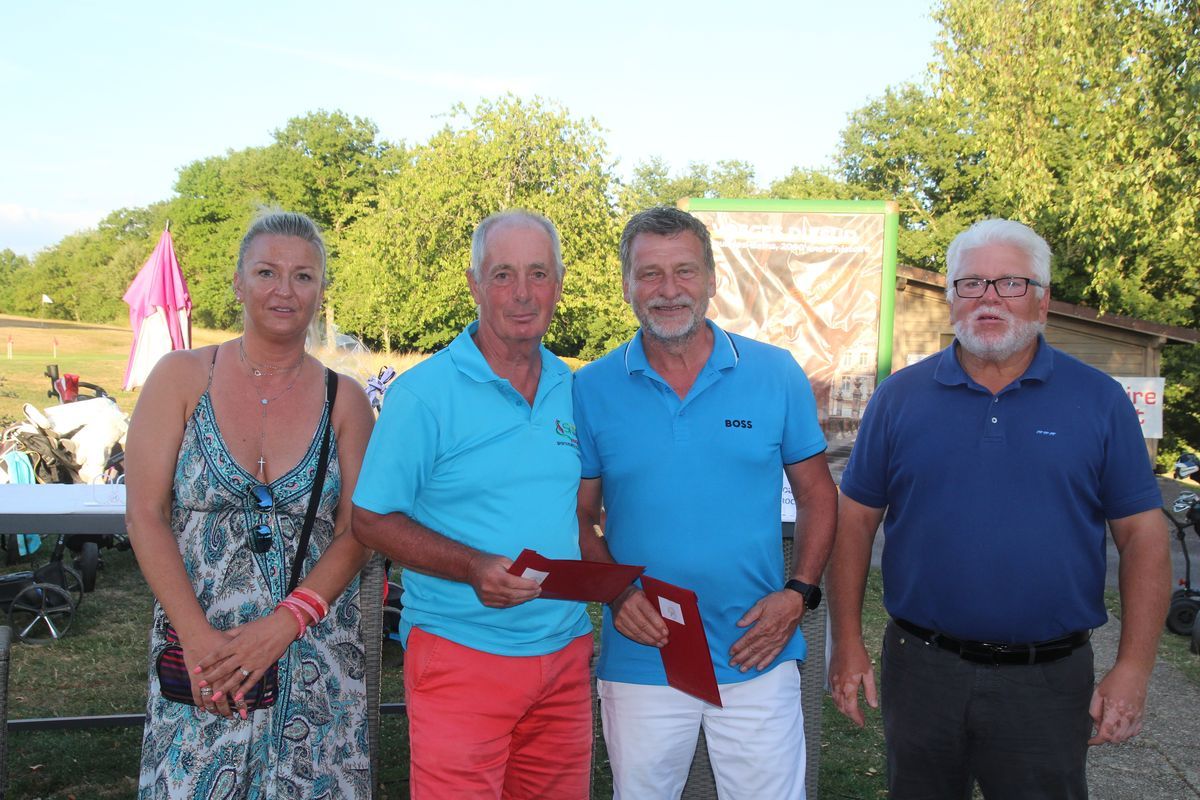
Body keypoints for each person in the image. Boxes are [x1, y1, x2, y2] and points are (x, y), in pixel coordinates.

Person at [828, 218, 1171, 799]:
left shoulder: (1099, 400)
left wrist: (1134, 668)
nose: (989, 298)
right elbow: (854, 523)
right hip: (922, 670)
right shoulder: (898, 398)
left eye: (1011, 283)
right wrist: (847, 642)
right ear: (951, 300)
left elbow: (1143, 535)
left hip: (1047, 681)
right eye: (971, 283)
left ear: (1043, 301)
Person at [573, 206, 838, 799]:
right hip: (645, 651)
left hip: (756, 647)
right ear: (627, 285)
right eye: (650, 274)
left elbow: (819, 493)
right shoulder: (590, 387)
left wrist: (799, 593)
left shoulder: (775, 372)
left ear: (713, 280)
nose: (668, 290)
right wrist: (617, 593)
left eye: (685, 271)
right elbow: (581, 516)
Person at [126, 210, 375, 799]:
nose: (284, 290)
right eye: (267, 272)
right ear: (238, 283)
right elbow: (145, 514)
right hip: (201, 658)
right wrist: (197, 639)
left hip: (313, 657)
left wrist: (284, 625)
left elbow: (358, 531)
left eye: (303, 276)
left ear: (320, 291)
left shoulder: (346, 401)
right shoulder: (181, 378)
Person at [352, 210, 593, 799]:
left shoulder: (571, 386)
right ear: (474, 285)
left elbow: (580, 509)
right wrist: (472, 566)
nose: (522, 293)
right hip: (462, 652)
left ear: (558, 286)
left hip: (563, 652)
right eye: (503, 274)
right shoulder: (423, 394)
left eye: (538, 274)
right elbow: (370, 519)